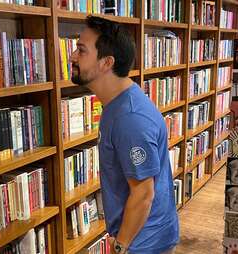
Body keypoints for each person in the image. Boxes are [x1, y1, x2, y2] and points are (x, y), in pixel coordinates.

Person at [70, 16, 179, 254]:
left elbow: (143, 194)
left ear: (106, 62)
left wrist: (121, 245)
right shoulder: (117, 104)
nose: (72, 56)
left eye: (81, 50)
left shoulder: (130, 119)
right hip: (142, 237)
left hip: (144, 243)